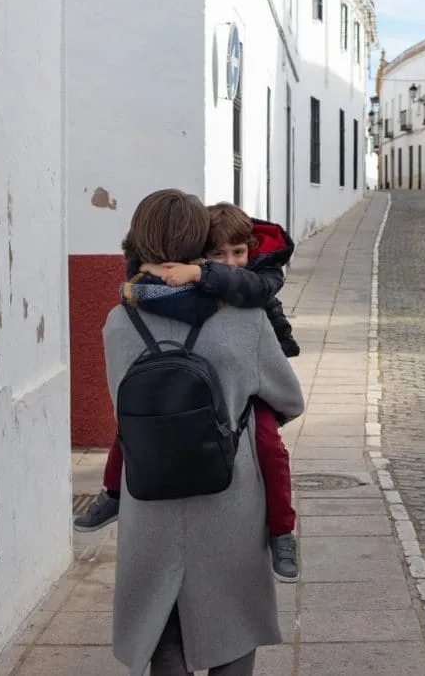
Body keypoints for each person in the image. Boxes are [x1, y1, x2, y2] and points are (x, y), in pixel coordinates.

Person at [105, 189, 304, 676]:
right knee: (231, 627)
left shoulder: (118, 320)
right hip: (228, 498)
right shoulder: (244, 319)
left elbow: (120, 407)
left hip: (148, 495)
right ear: (200, 245)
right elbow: (290, 400)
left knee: (163, 634)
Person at [75, 204, 303, 582]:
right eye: (217, 255)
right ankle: (112, 493)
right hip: (217, 441)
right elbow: (292, 401)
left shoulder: (258, 278)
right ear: (196, 253)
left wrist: (193, 272)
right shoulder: (210, 304)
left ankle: (282, 530)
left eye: (238, 253)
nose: (230, 263)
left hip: (234, 400)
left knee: (268, 445)